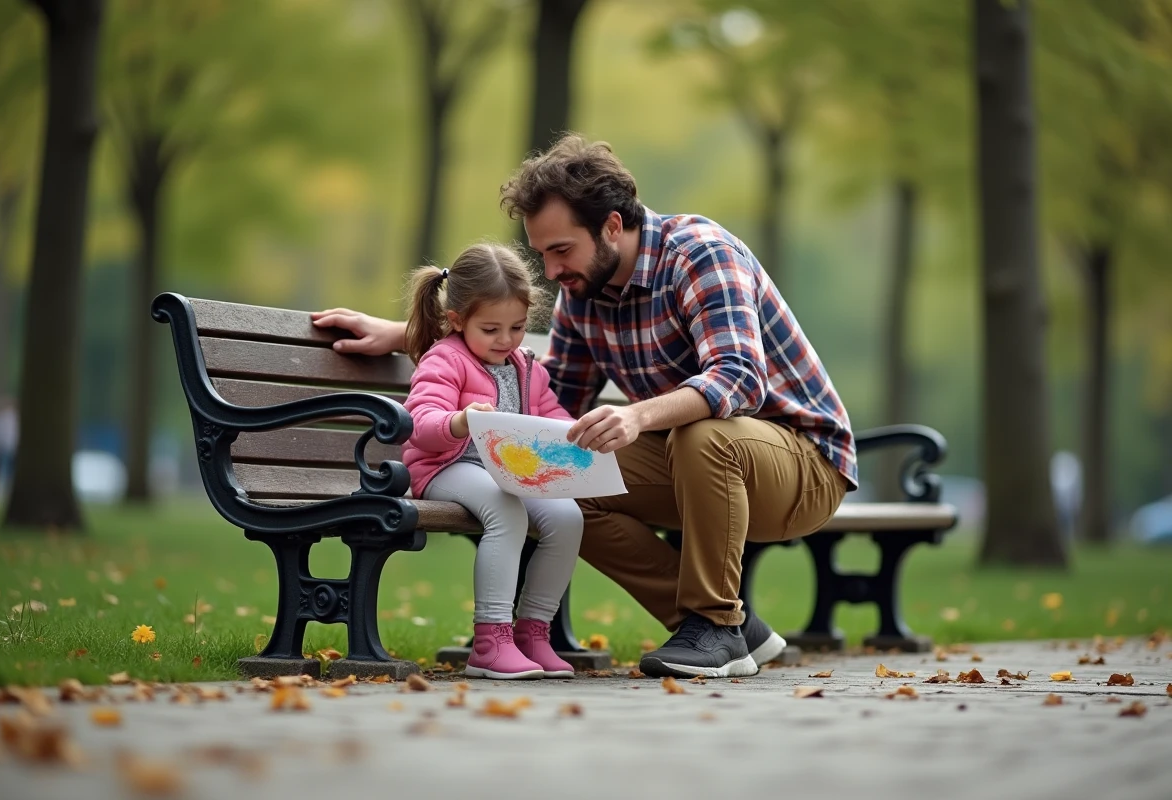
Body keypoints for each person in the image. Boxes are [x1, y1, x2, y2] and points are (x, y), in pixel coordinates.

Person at [312, 134, 856, 679]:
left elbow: (739, 381)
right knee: (566, 477)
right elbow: (546, 399)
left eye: (561, 250)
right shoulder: (582, 293)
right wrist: (417, 334)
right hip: (696, 464)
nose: (550, 271)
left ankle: (713, 624)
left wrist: (638, 416)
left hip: (801, 465)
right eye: (542, 252)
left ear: (612, 226)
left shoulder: (700, 254)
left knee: (703, 433)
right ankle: (734, 628)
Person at [399, 242, 584, 680]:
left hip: (508, 471)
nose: (506, 340)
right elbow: (419, 421)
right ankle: (490, 639)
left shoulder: (525, 366)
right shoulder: (445, 359)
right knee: (506, 511)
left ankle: (532, 632)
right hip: (445, 467)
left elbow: (549, 415)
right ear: (457, 320)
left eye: (517, 327)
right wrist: (460, 421)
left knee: (567, 518)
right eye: (491, 329)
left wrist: (577, 433)